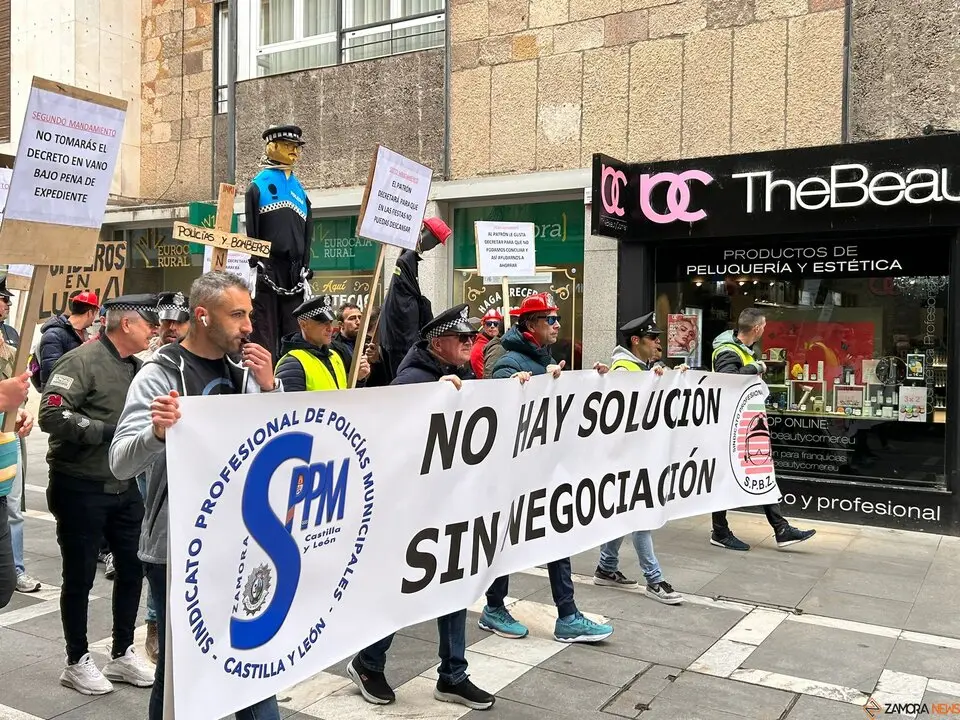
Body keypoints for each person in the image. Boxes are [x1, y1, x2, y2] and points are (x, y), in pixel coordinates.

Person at [109, 272, 282, 720]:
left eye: (250, 314)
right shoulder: (158, 374)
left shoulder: (247, 374)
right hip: (176, 551)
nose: (249, 326)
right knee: (180, 676)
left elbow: (273, 445)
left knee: (252, 663)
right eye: (238, 315)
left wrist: (270, 390)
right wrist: (156, 433)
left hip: (243, 542)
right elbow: (121, 463)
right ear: (202, 316)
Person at [348, 303, 494, 711]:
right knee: (406, 589)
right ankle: (368, 662)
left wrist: (523, 388)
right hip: (413, 510)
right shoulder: (413, 381)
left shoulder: (463, 375)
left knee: (453, 587)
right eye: (462, 338)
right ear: (437, 343)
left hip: (449, 504)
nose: (470, 342)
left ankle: (453, 675)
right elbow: (397, 441)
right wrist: (434, 400)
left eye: (472, 337)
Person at [38, 294, 160, 695]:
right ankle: (76, 659)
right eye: (149, 322)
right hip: (81, 487)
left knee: (131, 568)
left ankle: (122, 651)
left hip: (125, 488)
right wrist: (109, 435)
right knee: (79, 577)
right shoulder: (83, 360)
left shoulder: (138, 369)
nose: (155, 329)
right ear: (127, 324)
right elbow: (52, 414)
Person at [482, 292, 614, 643]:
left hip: (545, 470)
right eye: (549, 320)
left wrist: (594, 380)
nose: (556, 325)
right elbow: (498, 407)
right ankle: (494, 608)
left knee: (558, 538)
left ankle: (567, 614)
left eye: (556, 319)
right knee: (506, 540)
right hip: (516, 474)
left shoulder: (543, 359)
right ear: (530, 325)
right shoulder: (509, 362)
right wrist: (519, 386)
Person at [593, 313, 683, 605]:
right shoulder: (624, 368)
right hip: (627, 458)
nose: (658, 343)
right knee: (640, 514)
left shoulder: (639, 367)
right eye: (653, 338)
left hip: (633, 456)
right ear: (636, 341)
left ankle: (606, 568)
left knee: (625, 514)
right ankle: (654, 579)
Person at [711, 308, 816, 551]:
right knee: (727, 478)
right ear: (757, 328)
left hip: (746, 423)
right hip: (731, 427)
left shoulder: (743, 350)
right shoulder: (728, 350)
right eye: (765, 326)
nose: (765, 330)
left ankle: (780, 529)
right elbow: (729, 379)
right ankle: (720, 531)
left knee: (762, 473)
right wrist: (758, 368)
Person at [132, 290, 190, 664]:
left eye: (177, 321)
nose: (170, 327)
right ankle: (154, 622)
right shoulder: (148, 366)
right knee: (160, 542)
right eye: (165, 320)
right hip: (155, 466)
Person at [245, 125, 314, 362]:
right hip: (268, 268)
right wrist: (256, 262)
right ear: (272, 147)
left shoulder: (300, 190)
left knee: (295, 330)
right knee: (264, 329)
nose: (294, 152)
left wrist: (306, 264)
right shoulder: (259, 185)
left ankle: (293, 371)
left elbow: (308, 231)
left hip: (295, 272)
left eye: (296, 147)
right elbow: (253, 230)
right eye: (288, 146)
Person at [378, 218, 451, 382]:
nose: (434, 246)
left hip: (401, 339)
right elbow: (404, 305)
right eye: (435, 241)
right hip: (401, 340)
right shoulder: (406, 261)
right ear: (425, 232)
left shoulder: (409, 259)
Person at [275, 294, 369, 391]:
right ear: (303, 325)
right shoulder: (292, 363)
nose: (330, 328)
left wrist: (357, 379)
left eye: (330, 322)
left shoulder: (334, 356)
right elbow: (289, 405)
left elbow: (344, 398)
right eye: (323, 323)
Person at [37, 290, 100, 389]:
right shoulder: (53, 335)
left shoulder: (84, 333)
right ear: (90, 313)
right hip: (60, 396)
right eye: (95, 314)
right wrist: (81, 350)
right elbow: (51, 373)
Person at [470, 308, 502, 379]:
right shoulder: (478, 348)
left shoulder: (500, 343)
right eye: (489, 323)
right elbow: (482, 377)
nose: (492, 326)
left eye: (496, 324)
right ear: (483, 326)